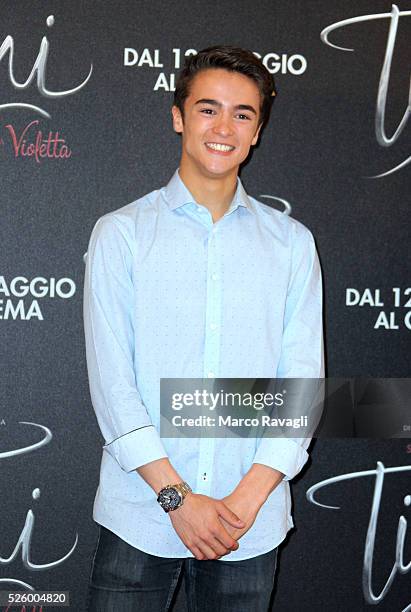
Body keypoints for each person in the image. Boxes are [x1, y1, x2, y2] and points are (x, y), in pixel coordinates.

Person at [83, 45, 324, 612]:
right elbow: (113, 386)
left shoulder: (291, 244)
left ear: (258, 130)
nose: (224, 127)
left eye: (242, 114)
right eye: (207, 108)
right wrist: (178, 498)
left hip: (250, 522)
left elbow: (303, 383)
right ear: (178, 116)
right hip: (140, 516)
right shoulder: (122, 234)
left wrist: (247, 499)